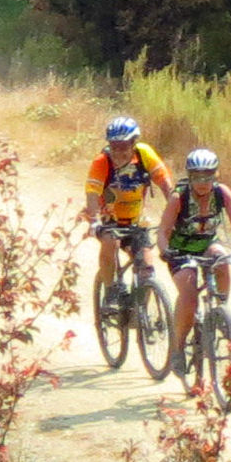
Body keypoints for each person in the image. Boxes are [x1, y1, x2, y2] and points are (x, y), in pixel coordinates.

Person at [163, 144, 231, 377]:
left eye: (208, 176)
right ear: (190, 176)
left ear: (215, 174)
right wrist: (166, 250)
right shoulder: (179, 197)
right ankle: (177, 349)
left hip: (206, 243)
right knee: (188, 296)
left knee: (222, 260)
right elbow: (163, 231)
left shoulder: (222, 193)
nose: (203, 182)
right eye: (197, 176)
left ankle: (220, 310)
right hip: (181, 250)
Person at [83, 114, 166, 318]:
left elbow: (166, 184)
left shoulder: (145, 154)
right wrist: (94, 221)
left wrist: (177, 212)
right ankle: (111, 290)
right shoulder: (102, 161)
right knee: (110, 242)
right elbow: (92, 193)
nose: (118, 151)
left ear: (133, 143)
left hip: (136, 220)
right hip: (109, 219)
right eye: (114, 146)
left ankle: (139, 311)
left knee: (147, 268)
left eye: (124, 146)